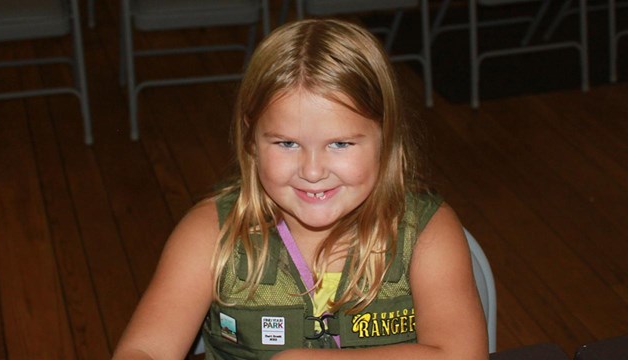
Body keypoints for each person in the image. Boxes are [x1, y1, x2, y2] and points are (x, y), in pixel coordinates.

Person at [112, 18, 487, 360]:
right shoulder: (210, 233)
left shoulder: (427, 234)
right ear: (252, 140)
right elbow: (145, 348)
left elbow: (461, 354)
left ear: (386, 139)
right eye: (286, 143)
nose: (312, 171)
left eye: (340, 144)